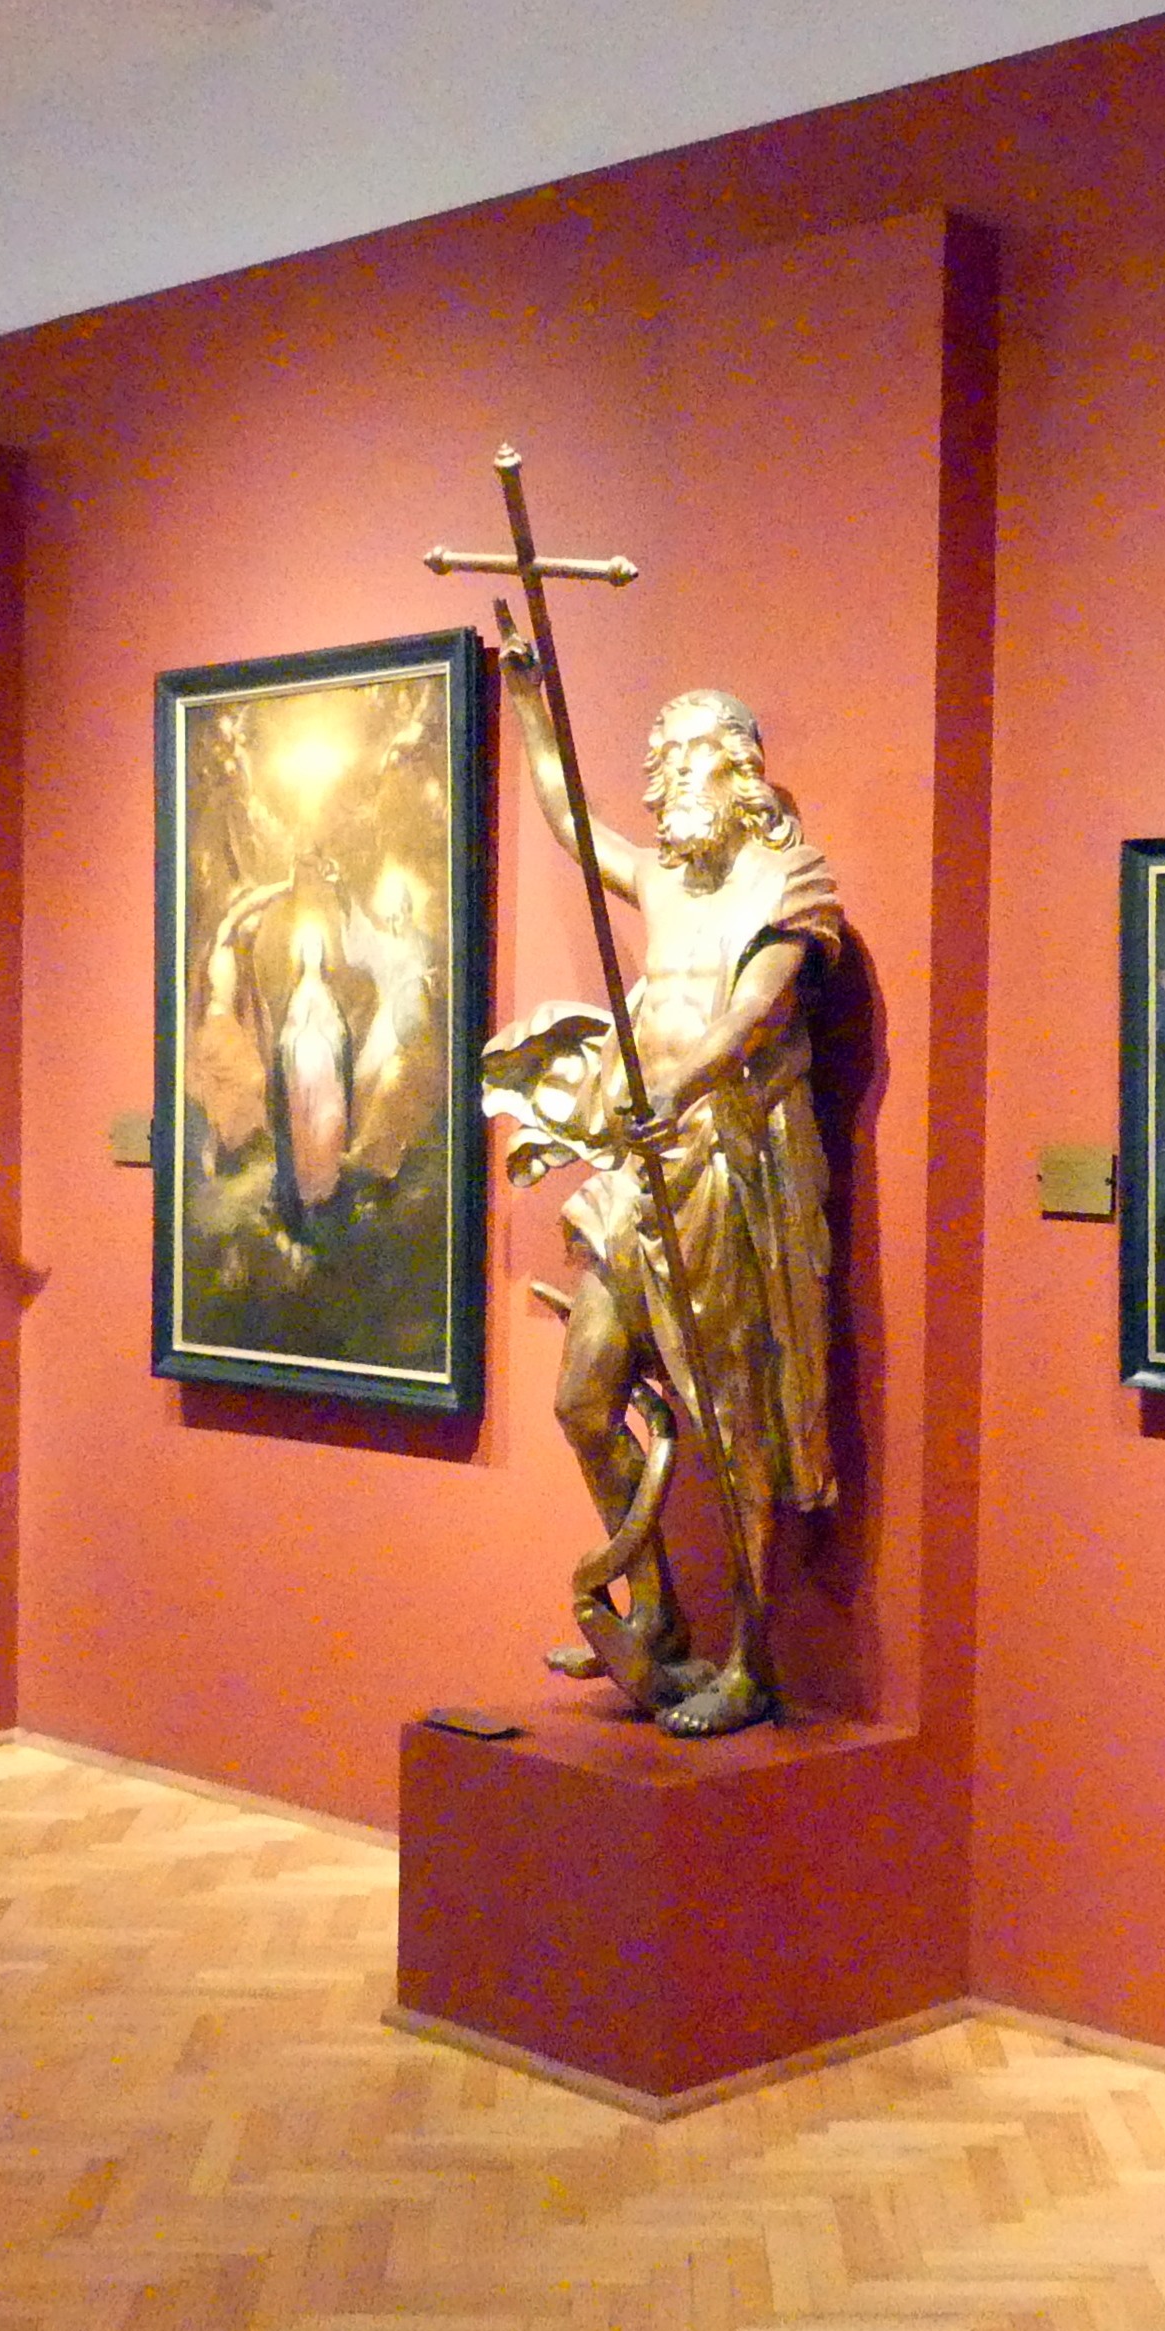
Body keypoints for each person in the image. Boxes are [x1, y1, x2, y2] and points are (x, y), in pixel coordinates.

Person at [482, 682, 841, 1738]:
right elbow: (569, 819)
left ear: (740, 766)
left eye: (682, 762)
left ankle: (751, 1660)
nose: (662, 785)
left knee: (729, 1417)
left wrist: (676, 1086)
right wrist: (531, 704)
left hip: (723, 1167)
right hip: (637, 1169)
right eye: (658, 767)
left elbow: (753, 1011)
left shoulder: (791, 882)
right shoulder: (658, 877)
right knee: (582, 1400)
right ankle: (658, 1611)